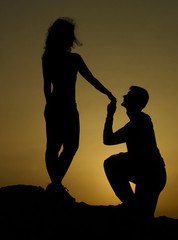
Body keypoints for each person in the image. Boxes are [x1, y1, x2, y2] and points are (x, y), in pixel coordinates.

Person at [43, 18, 115, 201]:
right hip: (59, 106)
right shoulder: (50, 57)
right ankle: (56, 184)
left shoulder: (72, 59)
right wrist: (50, 104)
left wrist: (107, 93)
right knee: (55, 147)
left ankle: (55, 183)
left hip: (65, 107)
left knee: (69, 146)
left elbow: (90, 78)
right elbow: (46, 85)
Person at [103, 86, 166, 221]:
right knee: (141, 217)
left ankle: (130, 205)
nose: (124, 96)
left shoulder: (141, 121)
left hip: (151, 174)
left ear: (135, 101)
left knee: (111, 163)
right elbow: (108, 140)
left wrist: (110, 114)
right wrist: (110, 114)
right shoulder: (136, 122)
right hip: (149, 174)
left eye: (128, 95)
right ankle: (131, 206)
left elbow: (108, 140)